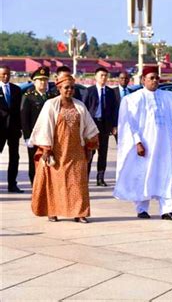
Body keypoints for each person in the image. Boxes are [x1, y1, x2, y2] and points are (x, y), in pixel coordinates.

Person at [113, 66, 172, 221]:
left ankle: (167, 210)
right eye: (151, 78)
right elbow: (131, 123)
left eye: (157, 78)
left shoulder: (166, 97)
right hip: (145, 144)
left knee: (166, 174)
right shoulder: (134, 99)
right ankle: (142, 209)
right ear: (143, 80)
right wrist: (137, 142)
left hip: (164, 144)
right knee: (144, 174)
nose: (155, 81)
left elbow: (170, 121)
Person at [29, 74, 99, 223]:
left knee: (78, 183)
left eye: (72, 87)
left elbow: (89, 127)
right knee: (56, 182)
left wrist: (90, 144)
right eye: (66, 87)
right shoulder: (51, 104)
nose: (70, 90)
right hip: (57, 151)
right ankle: (52, 211)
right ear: (59, 88)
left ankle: (79, 213)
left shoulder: (80, 105)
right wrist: (46, 148)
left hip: (76, 151)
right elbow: (44, 126)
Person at [21, 66, 58, 185]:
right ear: (34, 81)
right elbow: (24, 118)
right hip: (34, 136)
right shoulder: (28, 97)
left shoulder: (52, 97)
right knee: (34, 161)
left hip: (49, 136)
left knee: (50, 160)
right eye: (40, 80)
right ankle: (35, 183)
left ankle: (47, 184)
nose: (43, 82)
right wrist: (27, 137)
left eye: (45, 80)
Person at [81, 67, 118, 186]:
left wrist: (114, 125)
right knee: (90, 152)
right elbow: (83, 109)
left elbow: (114, 110)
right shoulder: (89, 91)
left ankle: (100, 178)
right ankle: (85, 178)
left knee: (103, 152)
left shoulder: (110, 92)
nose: (104, 78)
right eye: (101, 75)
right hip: (92, 125)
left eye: (106, 76)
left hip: (104, 125)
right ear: (95, 77)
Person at [0, 65, 24, 193]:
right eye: (3, 74)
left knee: (14, 157)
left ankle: (12, 184)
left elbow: (19, 110)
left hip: (13, 129)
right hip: (0, 129)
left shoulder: (16, 89)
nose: (6, 76)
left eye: (8, 74)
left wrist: (20, 128)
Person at [112, 71, 133, 142]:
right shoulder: (112, 92)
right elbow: (110, 110)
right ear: (118, 79)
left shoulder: (132, 92)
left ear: (129, 80)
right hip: (118, 124)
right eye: (122, 78)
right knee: (120, 145)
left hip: (130, 124)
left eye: (126, 78)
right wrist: (113, 126)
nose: (124, 80)